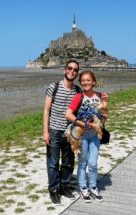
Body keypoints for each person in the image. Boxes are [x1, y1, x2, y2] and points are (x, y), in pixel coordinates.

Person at [65, 70, 108, 203]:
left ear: (94, 82)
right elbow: (68, 114)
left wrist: (100, 121)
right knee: (83, 163)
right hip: (81, 136)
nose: (85, 82)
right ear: (80, 83)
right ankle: (83, 188)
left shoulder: (100, 96)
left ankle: (93, 187)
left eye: (88, 80)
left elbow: (105, 117)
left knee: (93, 164)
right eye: (83, 80)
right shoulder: (78, 97)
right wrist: (83, 123)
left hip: (95, 136)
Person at [43, 59, 81, 205]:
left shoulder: (78, 91)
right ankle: (53, 189)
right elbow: (46, 110)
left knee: (68, 163)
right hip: (53, 131)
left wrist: (102, 98)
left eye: (75, 70)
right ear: (64, 70)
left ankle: (64, 186)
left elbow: (87, 104)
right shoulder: (54, 87)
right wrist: (45, 131)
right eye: (69, 68)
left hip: (69, 133)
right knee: (53, 163)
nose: (72, 71)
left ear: (77, 73)